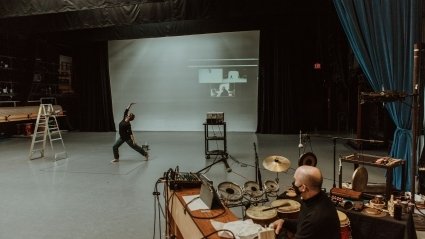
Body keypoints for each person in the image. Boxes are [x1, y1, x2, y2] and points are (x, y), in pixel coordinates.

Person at [269, 165, 340, 239]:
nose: (293, 183)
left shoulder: (316, 217)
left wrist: (279, 234)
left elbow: (308, 225)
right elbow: (302, 224)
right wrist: (284, 222)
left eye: (295, 180)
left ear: (303, 188)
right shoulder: (317, 196)